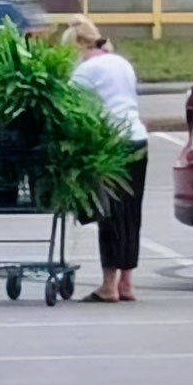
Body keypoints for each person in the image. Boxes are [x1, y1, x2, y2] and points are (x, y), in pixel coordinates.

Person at [62, 15, 148, 303]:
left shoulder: (85, 72)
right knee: (131, 212)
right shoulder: (122, 63)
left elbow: (70, 110)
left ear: (77, 46)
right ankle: (127, 284)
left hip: (110, 144)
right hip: (137, 139)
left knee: (109, 213)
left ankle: (108, 286)